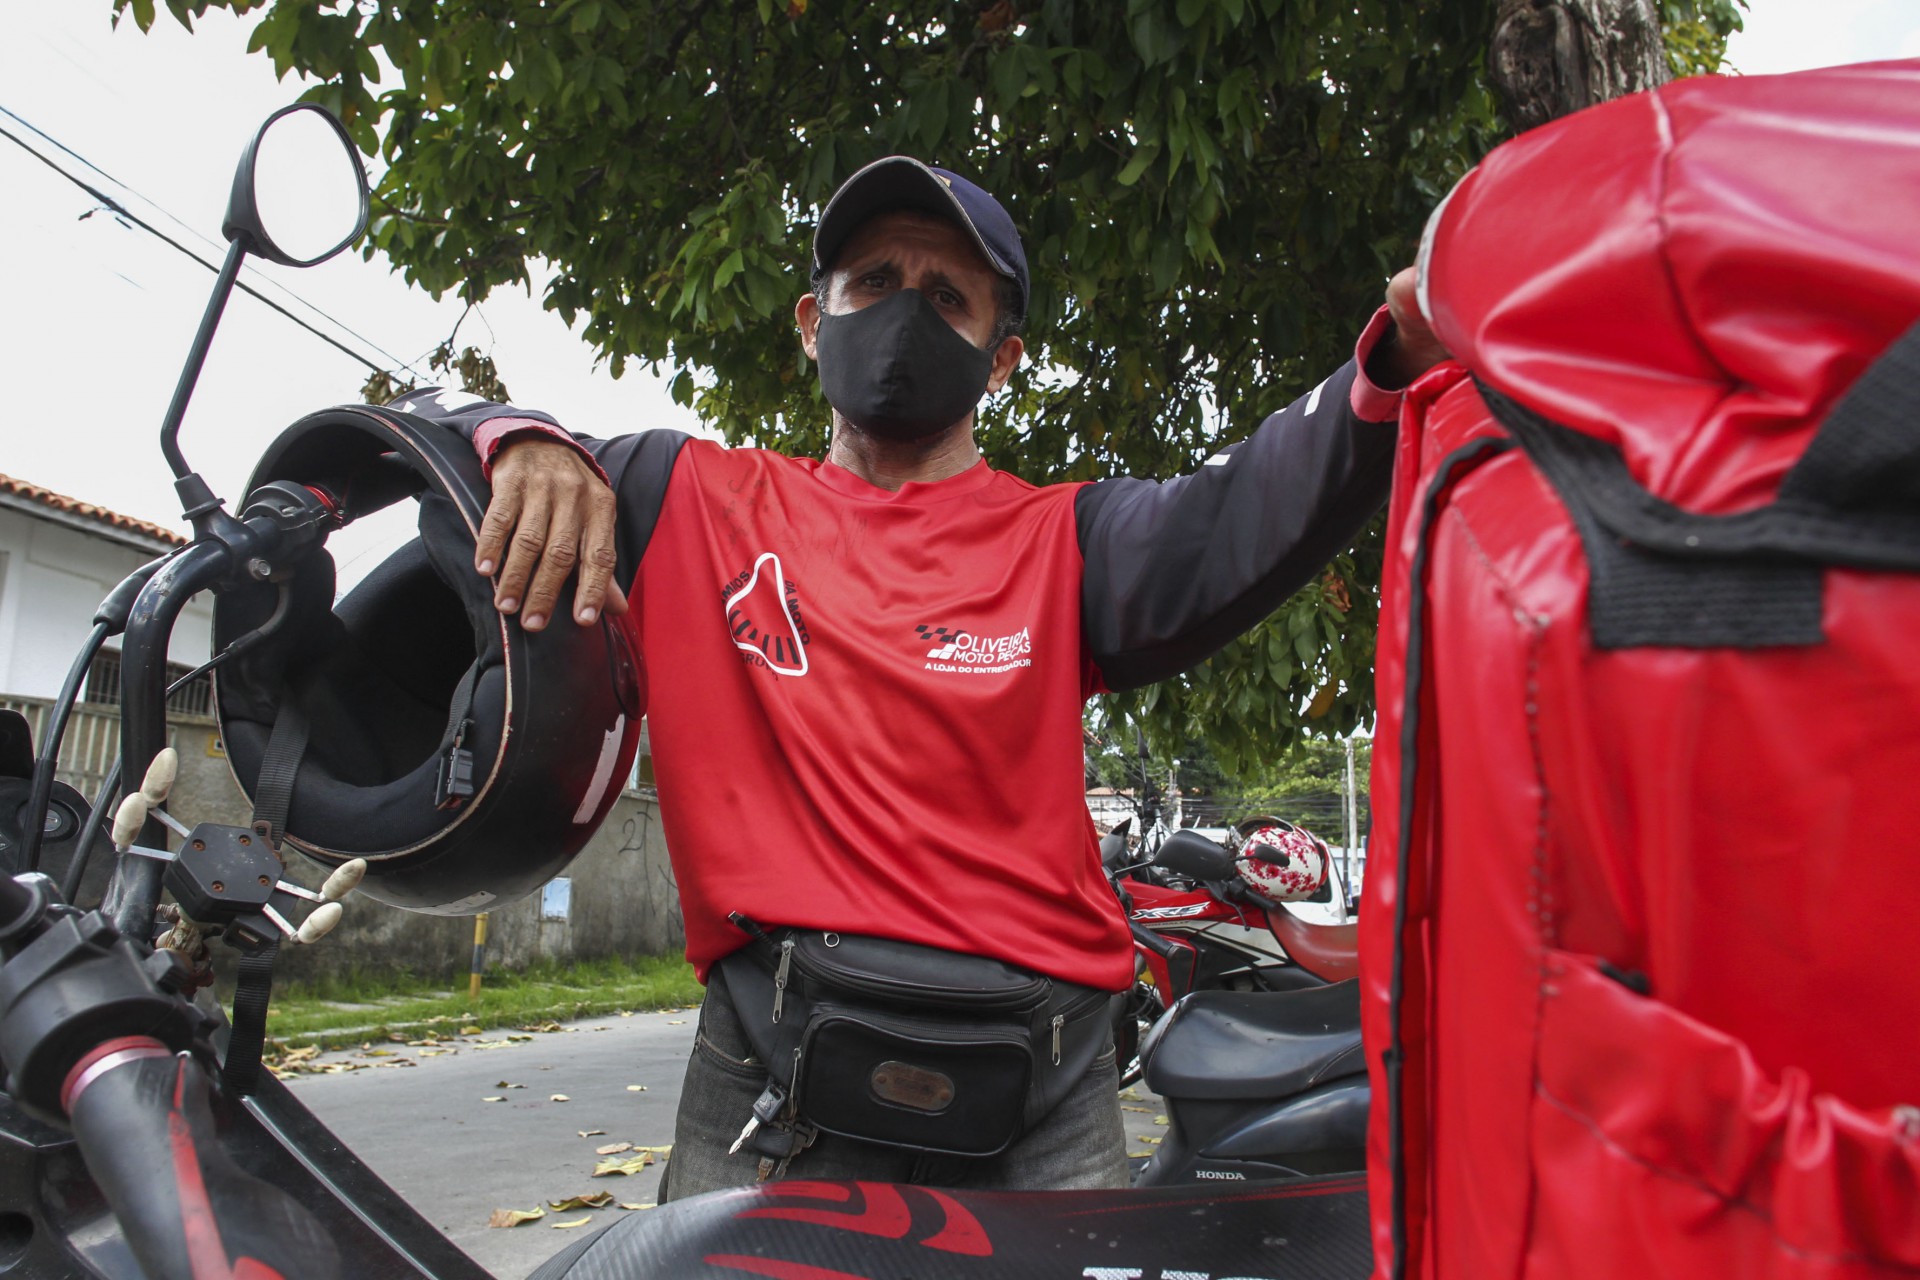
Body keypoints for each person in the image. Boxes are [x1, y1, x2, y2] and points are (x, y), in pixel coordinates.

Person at [397, 156, 1446, 1198]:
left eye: (947, 296)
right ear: (813, 321)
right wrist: (517, 438)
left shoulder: (1068, 538)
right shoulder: (685, 496)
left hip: (1049, 1085)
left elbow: (1249, 504)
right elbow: (419, 430)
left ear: (1001, 359)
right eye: (874, 283)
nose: (904, 314)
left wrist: (1391, 357)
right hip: (774, 1070)